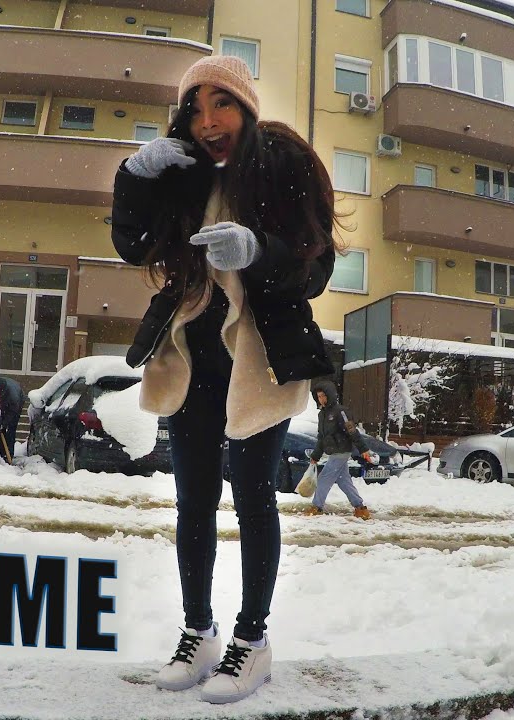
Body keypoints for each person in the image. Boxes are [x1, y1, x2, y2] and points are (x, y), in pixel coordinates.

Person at [111, 55, 339, 704]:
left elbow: (312, 267)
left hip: (259, 363)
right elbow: (134, 244)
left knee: (254, 501)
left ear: (245, 108)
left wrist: (258, 250)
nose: (208, 120)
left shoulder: (282, 164)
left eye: (223, 104)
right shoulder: (178, 173)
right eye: (196, 107)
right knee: (192, 503)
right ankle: (199, 632)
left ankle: (252, 641)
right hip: (191, 361)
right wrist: (132, 179)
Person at [305, 380, 374, 520]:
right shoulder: (322, 415)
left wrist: (363, 448)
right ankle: (360, 508)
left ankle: (316, 507)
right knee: (344, 481)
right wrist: (316, 456)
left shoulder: (340, 412)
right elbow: (321, 437)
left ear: (330, 395)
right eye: (319, 396)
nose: (321, 399)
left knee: (324, 478)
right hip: (334, 451)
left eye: (324, 395)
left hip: (342, 451)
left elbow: (352, 430)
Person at [0, 376, 24, 462]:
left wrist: (3, 424)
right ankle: (0, 452)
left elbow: (12, 412)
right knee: (0, 429)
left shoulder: (14, 397)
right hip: (5, 404)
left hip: (17, 404)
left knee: (11, 429)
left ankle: (9, 454)